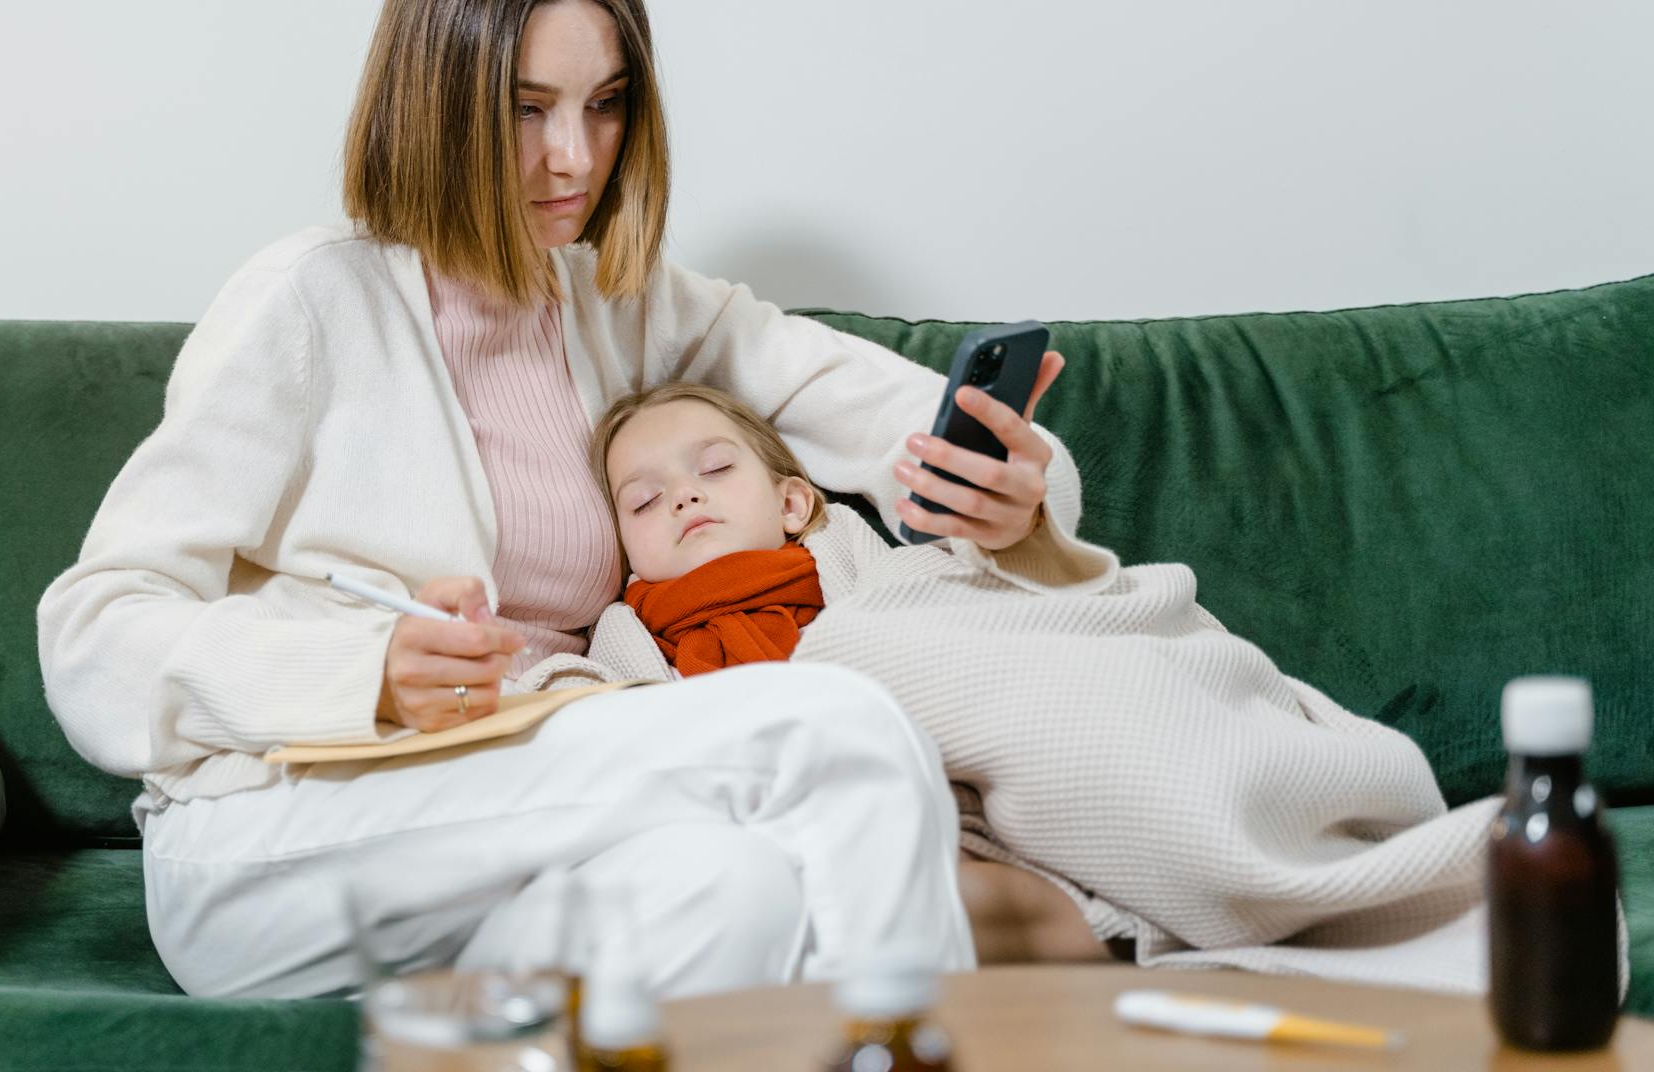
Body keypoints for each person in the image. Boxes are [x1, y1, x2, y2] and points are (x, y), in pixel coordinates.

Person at [36, 0, 1086, 1000]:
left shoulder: (615, 303)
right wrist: (367, 672)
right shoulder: (307, 301)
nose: (573, 157)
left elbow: (897, 417)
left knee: (739, 889)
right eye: (527, 108)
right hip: (279, 836)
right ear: (435, 104)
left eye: (606, 104)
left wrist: (1011, 483)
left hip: (519, 826)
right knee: (836, 727)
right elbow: (93, 632)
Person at [579, 381, 1504, 992]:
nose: (685, 499)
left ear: (794, 503)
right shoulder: (631, 638)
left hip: (966, 789)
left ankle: (1222, 890)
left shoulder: (870, 578)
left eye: (711, 470)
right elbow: (587, 719)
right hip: (845, 816)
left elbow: (1002, 625)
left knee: (1068, 762)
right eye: (645, 500)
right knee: (896, 896)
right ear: (621, 551)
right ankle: (1100, 961)